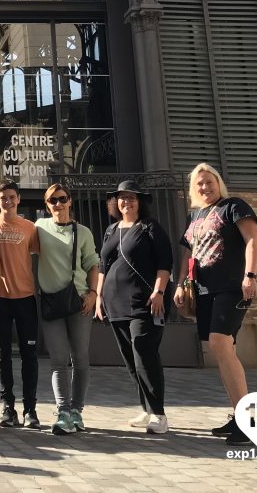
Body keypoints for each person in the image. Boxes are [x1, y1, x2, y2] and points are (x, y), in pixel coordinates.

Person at [174, 163, 257, 447]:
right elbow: (190, 254)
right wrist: (181, 284)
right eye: (199, 184)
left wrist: (250, 276)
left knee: (219, 344)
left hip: (231, 287)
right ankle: (239, 416)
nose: (204, 187)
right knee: (223, 350)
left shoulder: (233, 206)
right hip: (203, 290)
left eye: (209, 182)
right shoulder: (195, 214)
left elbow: (252, 240)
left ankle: (250, 423)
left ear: (218, 183)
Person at [96, 179, 173, 435]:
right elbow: (103, 267)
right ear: (115, 203)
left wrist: (159, 291)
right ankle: (146, 408)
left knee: (144, 353)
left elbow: (165, 263)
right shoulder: (111, 230)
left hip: (144, 303)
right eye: (122, 198)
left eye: (132, 197)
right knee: (130, 359)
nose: (126, 202)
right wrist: (98, 297)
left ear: (140, 202)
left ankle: (159, 413)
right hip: (114, 304)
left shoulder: (150, 227)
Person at [35, 183, 100, 435]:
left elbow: (93, 263)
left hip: (79, 299)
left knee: (81, 358)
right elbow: (12, 233)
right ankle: (63, 411)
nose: (58, 204)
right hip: (52, 300)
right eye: (52, 200)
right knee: (58, 359)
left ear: (70, 201)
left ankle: (77, 411)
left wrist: (94, 293)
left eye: (62, 199)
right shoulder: (39, 228)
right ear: (47, 205)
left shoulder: (82, 232)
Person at [0, 180, 41, 429]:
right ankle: (8, 408)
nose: (7, 201)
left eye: (11, 197)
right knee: (2, 355)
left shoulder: (30, 228)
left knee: (29, 355)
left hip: (26, 299)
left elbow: (45, 256)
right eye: (3, 197)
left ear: (18, 199)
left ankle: (30, 409)